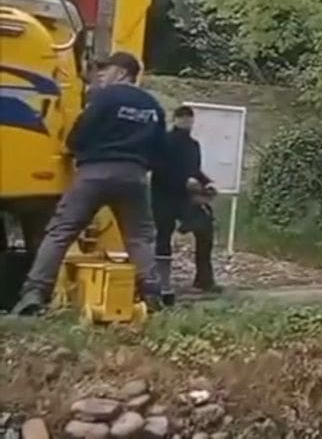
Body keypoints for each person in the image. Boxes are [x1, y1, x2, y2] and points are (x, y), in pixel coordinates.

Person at [12, 51, 166, 316]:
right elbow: (160, 151)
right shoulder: (153, 107)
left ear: (122, 73)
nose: (101, 76)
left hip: (95, 173)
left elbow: (80, 134)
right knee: (140, 237)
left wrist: (73, 149)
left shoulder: (103, 98)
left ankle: (34, 293)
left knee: (61, 232)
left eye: (106, 71)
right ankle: (152, 296)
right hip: (135, 177)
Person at [151, 105, 221, 303]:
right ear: (175, 120)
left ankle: (204, 279)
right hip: (164, 197)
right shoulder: (163, 142)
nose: (187, 123)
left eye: (189, 120)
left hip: (186, 199)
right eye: (183, 120)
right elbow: (160, 169)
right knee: (163, 237)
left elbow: (194, 170)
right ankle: (161, 283)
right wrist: (183, 180)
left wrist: (207, 182)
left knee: (205, 228)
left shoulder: (193, 145)